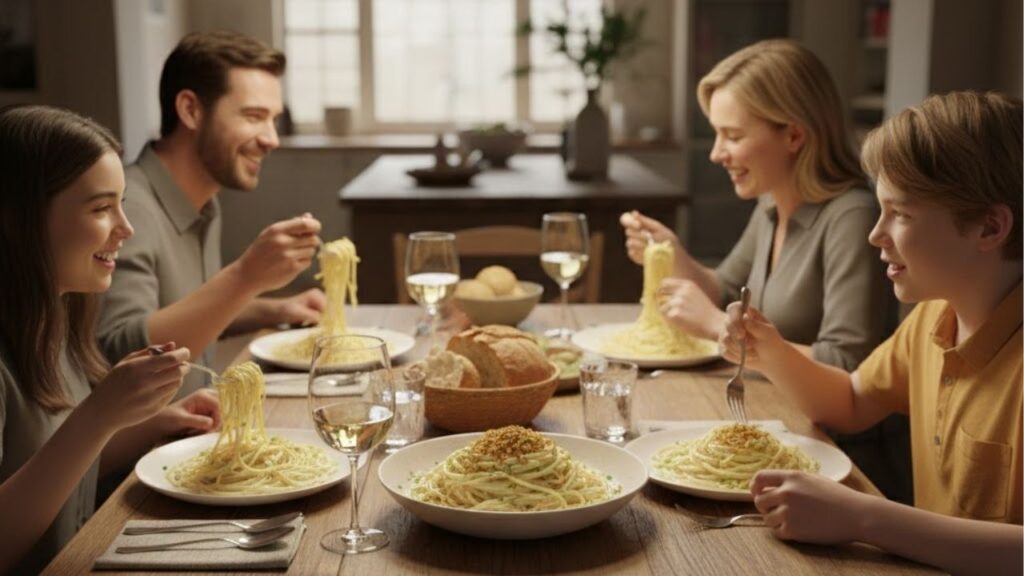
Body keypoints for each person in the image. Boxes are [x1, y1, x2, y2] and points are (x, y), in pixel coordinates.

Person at [719, 91, 1022, 575]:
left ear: (989, 227)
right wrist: (769, 351)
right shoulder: (934, 316)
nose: (874, 234)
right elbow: (853, 403)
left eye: (900, 214)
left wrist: (862, 516)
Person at [620, 39, 909, 500]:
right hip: (781, 427)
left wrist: (718, 325)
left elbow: (850, 368)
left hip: (845, 464)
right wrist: (674, 253)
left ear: (794, 135)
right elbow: (724, 289)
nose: (716, 153)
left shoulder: (852, 218)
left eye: (732, 136)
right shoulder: (773, 203)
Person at [0, 105, 221, 575]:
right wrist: (99, 415)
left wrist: (152, 423)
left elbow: (57, 470)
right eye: (102, 208)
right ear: (20, 220)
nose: (126, 228)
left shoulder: (54, 317)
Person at [98, 31, 325, 397]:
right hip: (150, 448)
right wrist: (245, 276)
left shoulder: (203, 202)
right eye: (254, 116)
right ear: (190, 110)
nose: (272, 139)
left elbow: (184, 310)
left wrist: (273, 309)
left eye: (273, 120)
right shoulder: (128, 208)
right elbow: (124, 352)